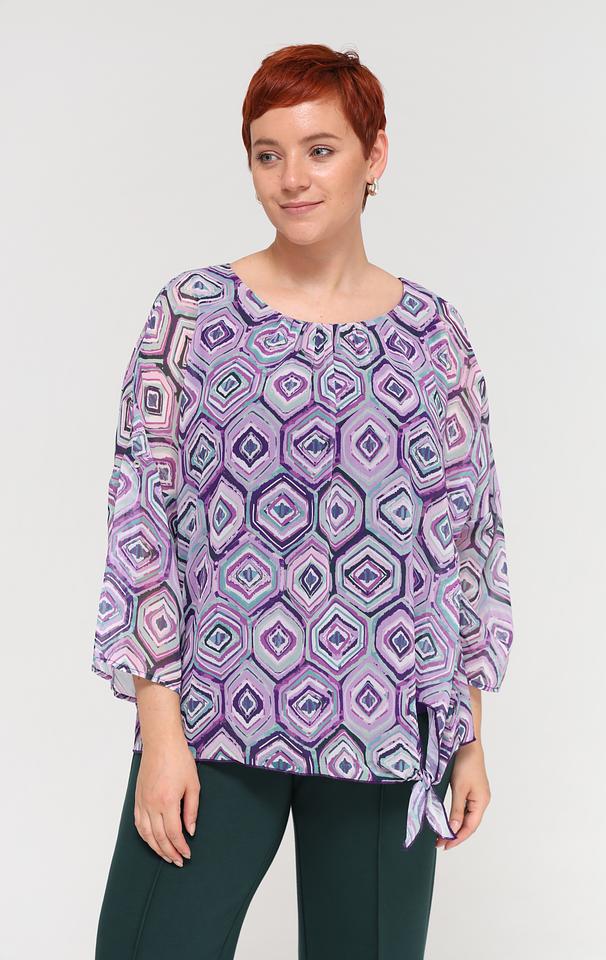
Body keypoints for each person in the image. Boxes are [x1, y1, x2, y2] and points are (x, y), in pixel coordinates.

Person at [92, 42, 514, 960]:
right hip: (217, 716)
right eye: (268, 153)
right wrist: (159, 733)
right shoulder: (193, 316)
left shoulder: (433, 337)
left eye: (320, 150)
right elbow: (143, 526)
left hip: (389, 723)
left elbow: (466, 544)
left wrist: (468, 736)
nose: (292, 178)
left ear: (375, 154)